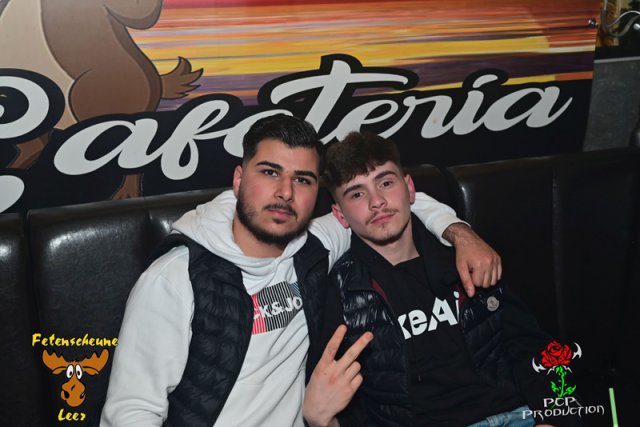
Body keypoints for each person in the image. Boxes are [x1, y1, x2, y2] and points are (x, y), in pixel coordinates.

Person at [100, 114, 501, 427]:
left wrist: (460, 233)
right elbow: (130, 413)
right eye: (269, 172)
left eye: (303, 180)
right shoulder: (175, 279)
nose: (285, 192)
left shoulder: (315, 245)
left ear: (317, 196)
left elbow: (394, 202)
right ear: (238, 179)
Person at [303, 132, 581, 427]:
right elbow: (345, 406)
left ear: (410, 189)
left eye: (385, 183)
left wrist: (557, 418)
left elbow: (534, 348)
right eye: (357, 194)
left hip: (521, 415)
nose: (377, 202)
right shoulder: (340, 293)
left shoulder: (467, 258)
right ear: (340, 215)